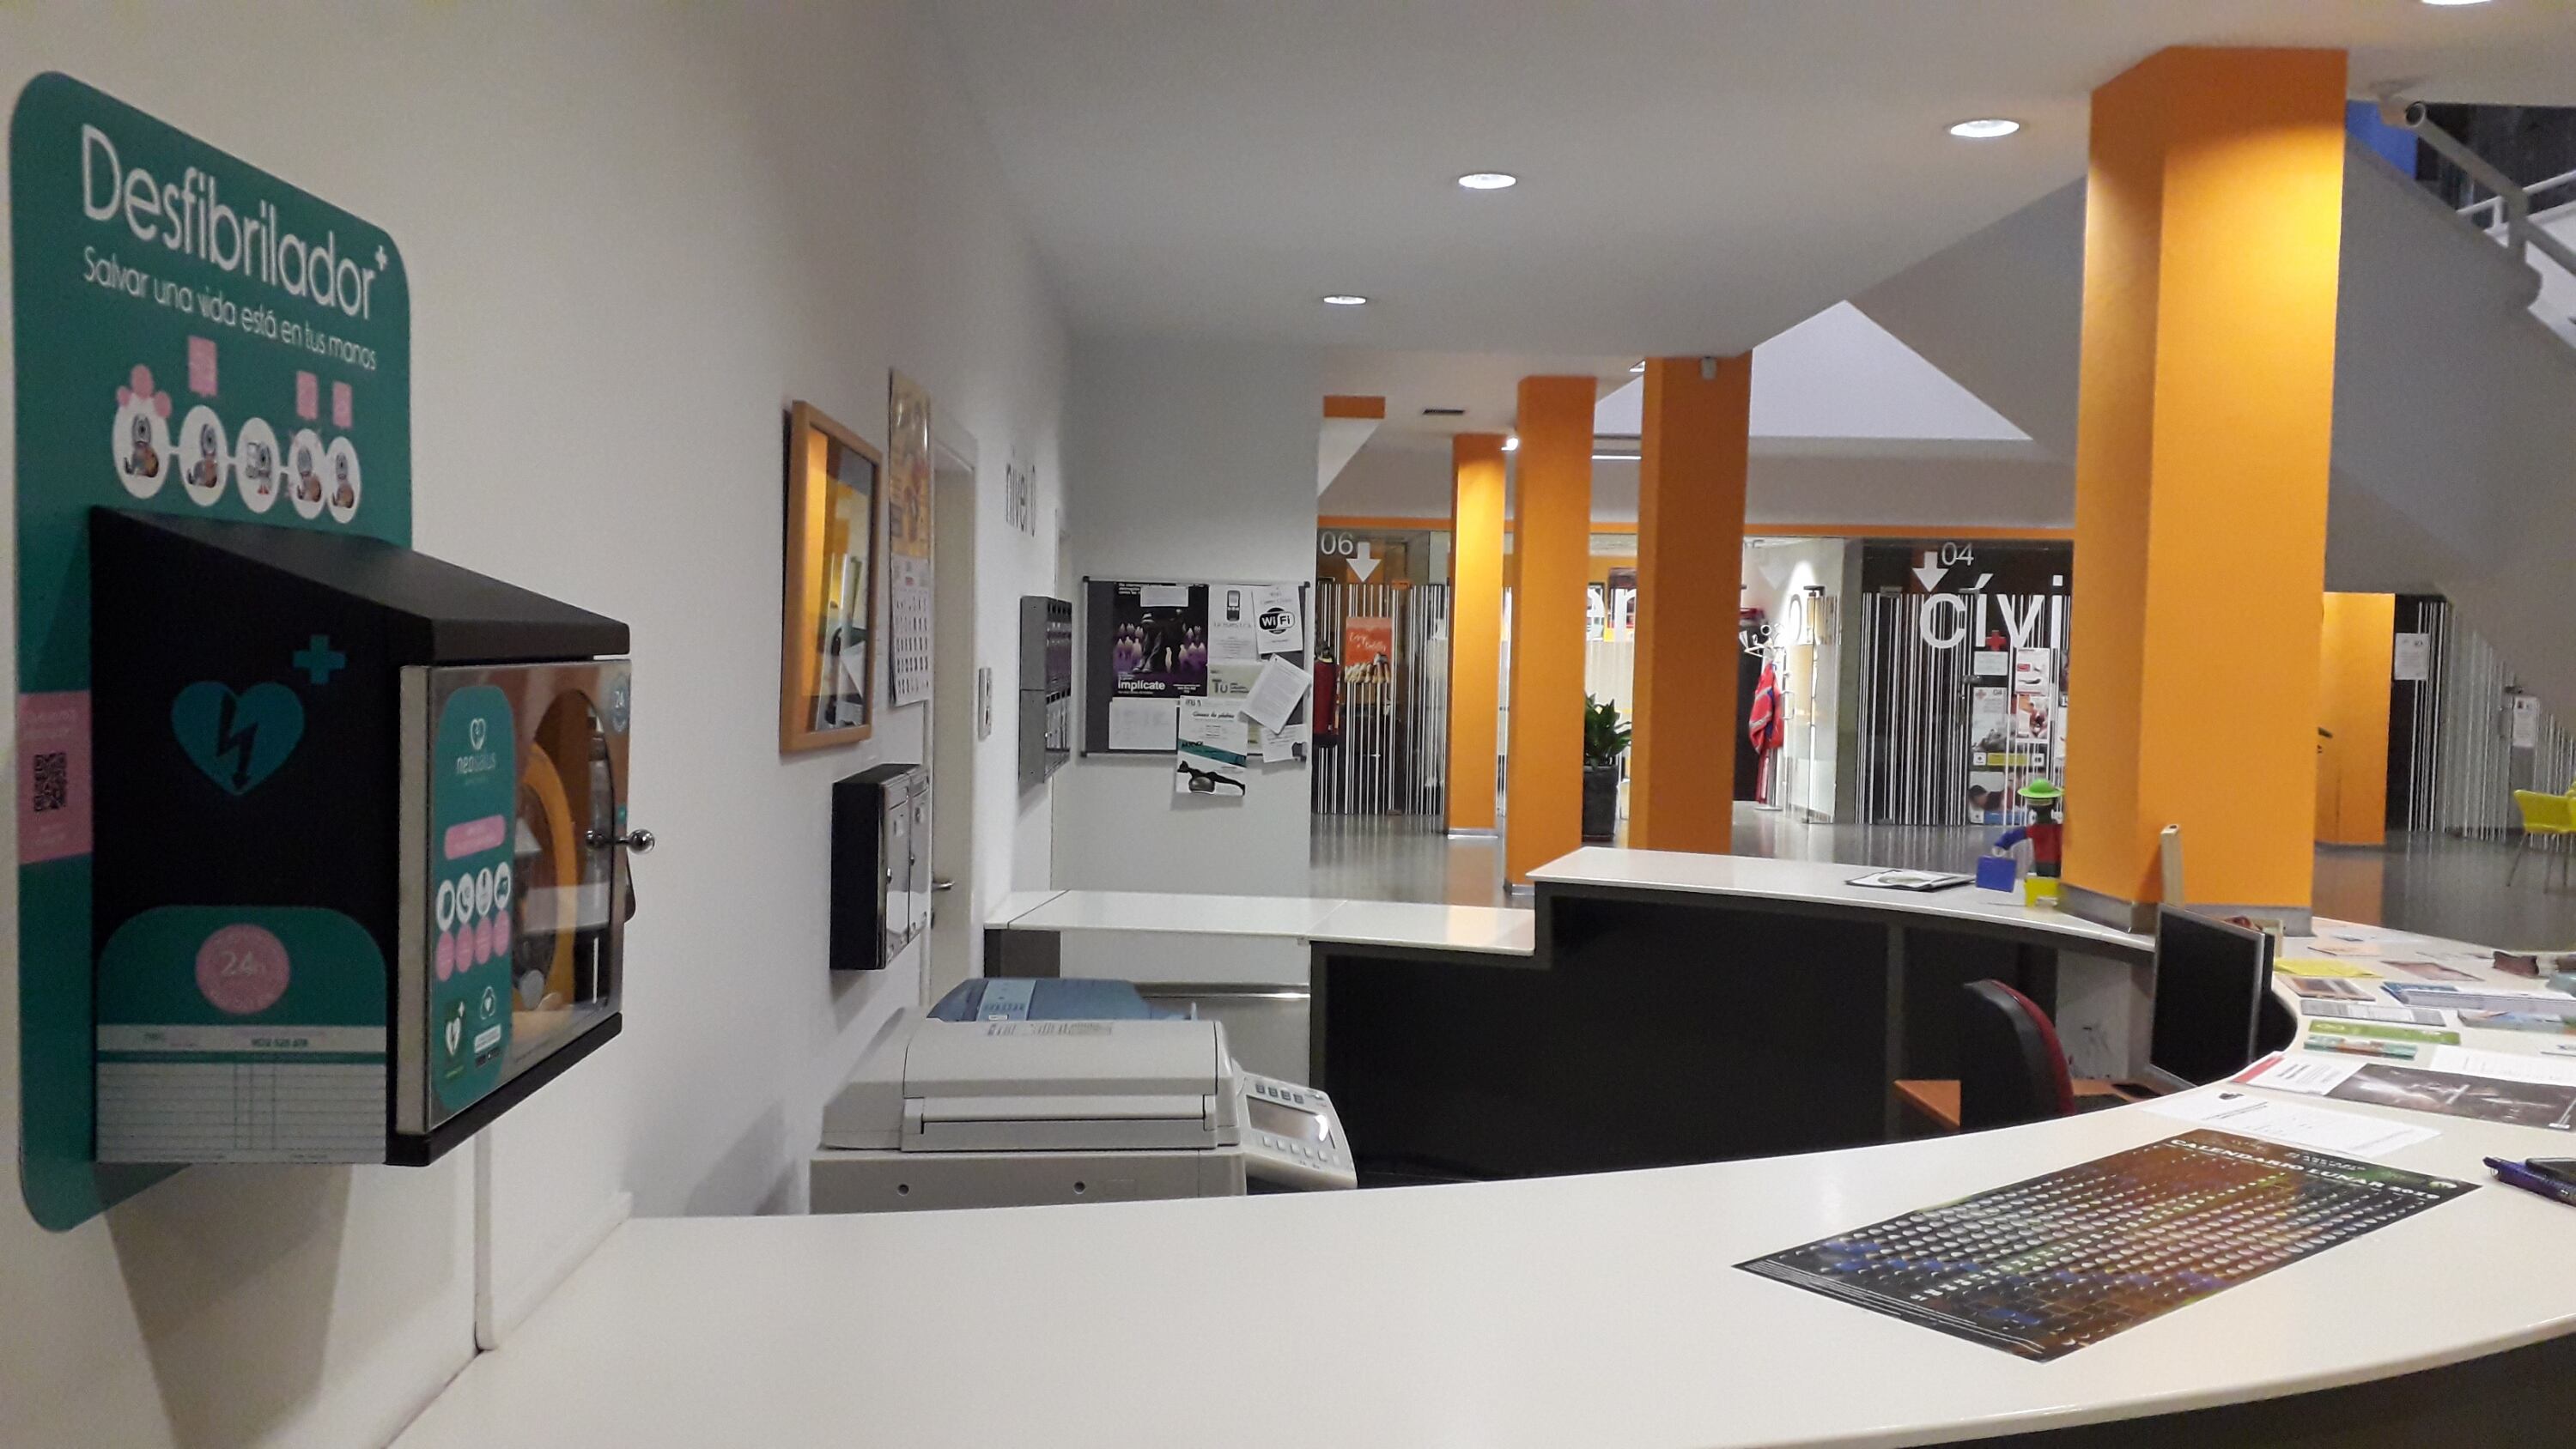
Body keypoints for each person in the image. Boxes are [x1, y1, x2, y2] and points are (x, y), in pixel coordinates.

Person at [1992, 779, 2064, 894]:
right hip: (2056, 865)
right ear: (2055, 802)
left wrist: (2003, 843)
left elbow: (2015, 835)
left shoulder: (2036, 829)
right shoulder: (2058, 829)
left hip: (2040, 864)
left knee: (2040, 882)